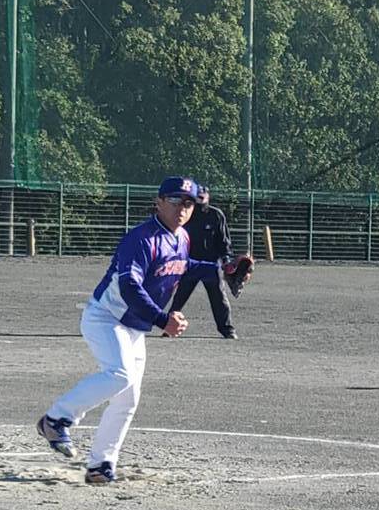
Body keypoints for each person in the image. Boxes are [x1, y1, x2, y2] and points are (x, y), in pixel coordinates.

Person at [36, 176, 225, 484]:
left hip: (133, 326)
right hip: (105, 318)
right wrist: (163, 319)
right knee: (120, 375)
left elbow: (182, 264)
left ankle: (100, 464)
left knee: (127, 398)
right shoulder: (141, 238)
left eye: (189, 203)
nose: (183, 208)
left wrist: (221, 270)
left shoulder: (181, 237)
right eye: (176, 200)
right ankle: (57, 418)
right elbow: (129, 287)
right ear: (159, 202)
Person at [168, 185, 239, 339]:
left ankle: (227, 330)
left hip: (210, 265)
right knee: (179, 297)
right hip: (189, 263)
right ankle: (169, 326)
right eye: (196, 196)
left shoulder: (216, 215)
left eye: (202, 196)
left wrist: (227, 260)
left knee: (219, 298)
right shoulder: (186, 214)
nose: (199, 199)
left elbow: (224, 241)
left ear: (208, 196)